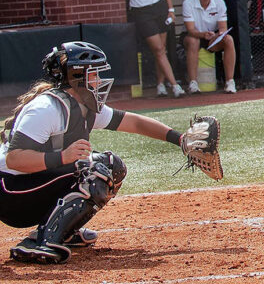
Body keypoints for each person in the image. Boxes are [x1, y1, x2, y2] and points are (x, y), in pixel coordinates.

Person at [0, 42, 204, 264]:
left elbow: (134, 123)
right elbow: (15, 158)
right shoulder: (46, 108)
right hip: (11, 192)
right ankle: (40, 243)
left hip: (30, 185)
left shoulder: (83, 105)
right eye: (94, 74)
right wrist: (62, 157)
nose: (99, 80)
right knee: (94, 170)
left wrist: (181, 140)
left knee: (112, 165)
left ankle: (62, 231)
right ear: (76, 76)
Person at [182, 0, 237, 94]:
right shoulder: (188, 3)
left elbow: (223, 27)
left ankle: (230, 82)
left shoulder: (219, 2)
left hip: (212, 37)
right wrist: (203, 34)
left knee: (229, 39)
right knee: (193, 41)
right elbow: (190, 30)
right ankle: (193, 83)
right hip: (194, 35)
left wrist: (218, 35)